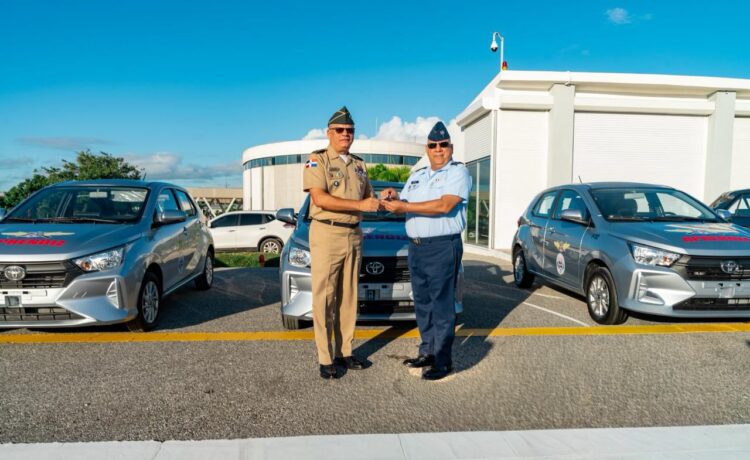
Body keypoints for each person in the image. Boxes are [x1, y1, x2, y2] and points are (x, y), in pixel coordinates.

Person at [381, 121, 471, 380]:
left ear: (451, 147)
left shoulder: (458, 172)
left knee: (442, 305)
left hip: (442, 246)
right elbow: (406, 202)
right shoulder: (417, 175)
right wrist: (394, 197)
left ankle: (443, 361)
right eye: (433, 145)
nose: (438, 149)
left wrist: (405, 207)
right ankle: (427, 351)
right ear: (427, 149)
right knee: (422, 303)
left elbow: (445, 205)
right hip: (417, 247)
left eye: (443, 145)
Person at [303, 106, 381, 379]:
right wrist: (360, 205)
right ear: (329, 133)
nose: (345, 134)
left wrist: (384, 197)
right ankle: (325, 358)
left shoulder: (359, 165)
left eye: (349, 130)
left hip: (354, 234)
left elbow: (369, 197)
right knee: (325, 298)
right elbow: (319, 198)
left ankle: (344, 352)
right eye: (340, 130)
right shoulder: (318, 160)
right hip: (328, 233)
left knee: (348, 297)